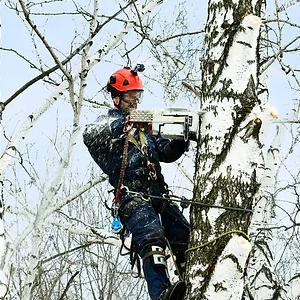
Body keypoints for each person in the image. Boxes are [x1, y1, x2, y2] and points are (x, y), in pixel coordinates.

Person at [83, 66, 190, 300]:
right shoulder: (106, 127)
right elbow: (89, 134)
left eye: (137, 95)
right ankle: (161, 292)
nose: (135, 100)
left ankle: (192, 280)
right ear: (116, 97)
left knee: (183, 234)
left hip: (158, 194)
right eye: (130, 95)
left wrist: (181, 137)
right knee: (152, 237)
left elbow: (166, 152)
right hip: (133, 197)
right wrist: (123, 124)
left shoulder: (146, 130)